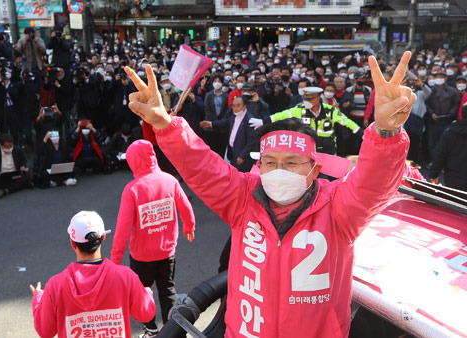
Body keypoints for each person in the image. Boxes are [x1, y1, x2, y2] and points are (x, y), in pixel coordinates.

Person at [123, 49, 414, 337]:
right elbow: (201, 165)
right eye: (270, 163)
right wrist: (163, 124)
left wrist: (387, 133)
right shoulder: (242, 199)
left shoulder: (339, 208)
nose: (279, 171)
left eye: (291, 163)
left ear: (314, 170)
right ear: (259, 166)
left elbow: (372, 184)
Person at [111, 140, 195, 337]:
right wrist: (189, 226)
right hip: (167, 251)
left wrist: (116, 258)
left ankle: (151, 329)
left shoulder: (132, 189)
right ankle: (172, 330)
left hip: (141, 255)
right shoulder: (170, 180)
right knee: (167, 290)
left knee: (142, 293)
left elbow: (123, 228)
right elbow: (185, 207)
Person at [30, 210, 156, 338]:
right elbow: (146, 314)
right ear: (103, 238)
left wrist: (38, 298)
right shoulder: (126, 277)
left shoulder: (55, 286)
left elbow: (45, 331)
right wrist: (147, 293)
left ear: (73, 243)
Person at [270, 87, 361, 155]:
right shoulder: (300, 110)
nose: (305, 101)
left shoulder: (330, 111)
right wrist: (263, 121)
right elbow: (282, 115)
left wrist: (362, 134)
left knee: (329, 176)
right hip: (306, 148)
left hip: (328, 150)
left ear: (317, 99)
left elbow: (348, 123)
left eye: (309, 99)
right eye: (305, 99)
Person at [200, 96, 258, 172]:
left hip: (242, 156)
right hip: (233, 152)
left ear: (244, 106)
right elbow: (225, 122)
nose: (235, 108)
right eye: (233, 106)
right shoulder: (234, 115)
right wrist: (211, 124)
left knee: (240, 177)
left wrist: (243, 156)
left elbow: (251, 142)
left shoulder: (250, 120)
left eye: (238, 105)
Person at [0, 133, 31, 198]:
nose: (9, 148)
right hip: (2, 175)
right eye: (6, 146)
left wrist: (22, 166)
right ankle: (22, 185)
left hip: (15, 173)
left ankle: (7, 190)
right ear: (1, 145)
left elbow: (23, 160)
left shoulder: (17, 150)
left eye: (11, 146)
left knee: (28, 174)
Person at [430, 114, 467, 191]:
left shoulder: (450, 132)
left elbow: (440, 155)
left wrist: (434, 174)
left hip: (452, 178)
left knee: (453, 201)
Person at [203, 75, 231, 157]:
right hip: (210, 126)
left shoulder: (226, 96)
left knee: (221, 150)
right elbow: (207, 109)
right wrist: (215, 122)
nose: (217, 83)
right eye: (215, 81)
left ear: (222, 83)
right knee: (211, 150)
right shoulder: (208, 95)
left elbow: (227, 110)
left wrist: (221, 122)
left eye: (219, 82)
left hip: (222, 128)